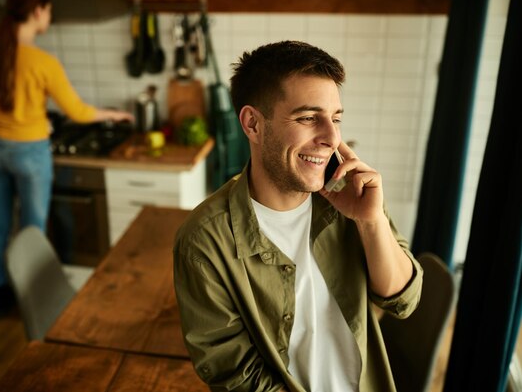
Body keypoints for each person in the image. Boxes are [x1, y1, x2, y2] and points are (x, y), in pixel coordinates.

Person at [173, 41, 424, 392]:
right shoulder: (205, 240)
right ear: (253, 124)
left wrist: (371, 221)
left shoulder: (352, 193)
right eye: (308, 118)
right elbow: (234, 375)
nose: (331, 137)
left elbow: (403, 300)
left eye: (335, 118)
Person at [0, 0, 133, 319]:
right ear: (37, 11)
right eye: (49, 10)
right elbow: (78, 112)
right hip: (28, 151)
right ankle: (34, 300)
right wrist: (114, 114)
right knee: (32, 229)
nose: (50, 17)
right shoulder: (42, 62)